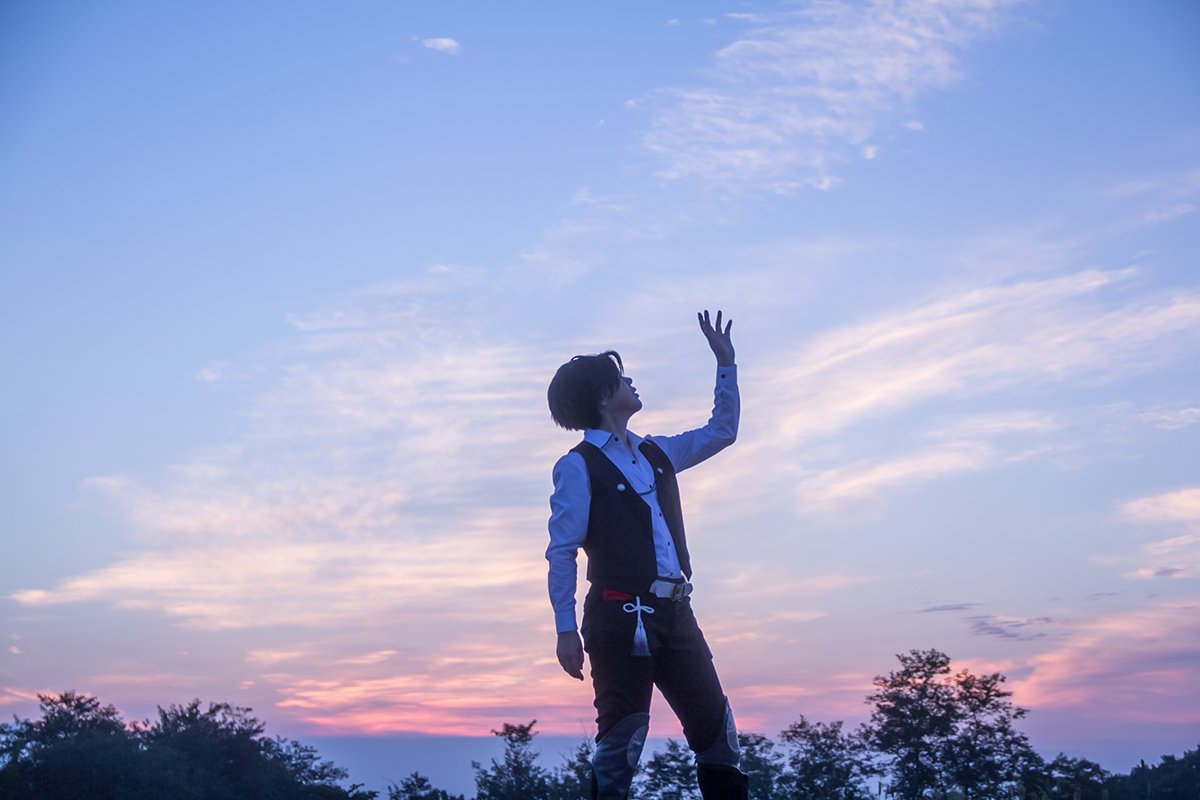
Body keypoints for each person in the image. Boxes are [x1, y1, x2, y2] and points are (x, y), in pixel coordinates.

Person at [545, 310, 749, 800]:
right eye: (620, 379)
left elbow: (722, 431)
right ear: (601, 398)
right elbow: (562, 551)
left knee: (718, 734)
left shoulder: (658, 453)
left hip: (677, 613)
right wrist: (565, 629)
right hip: (618, 615)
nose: (631, 382)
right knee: (622, 742)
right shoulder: (577, 466)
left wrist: (725, 365)